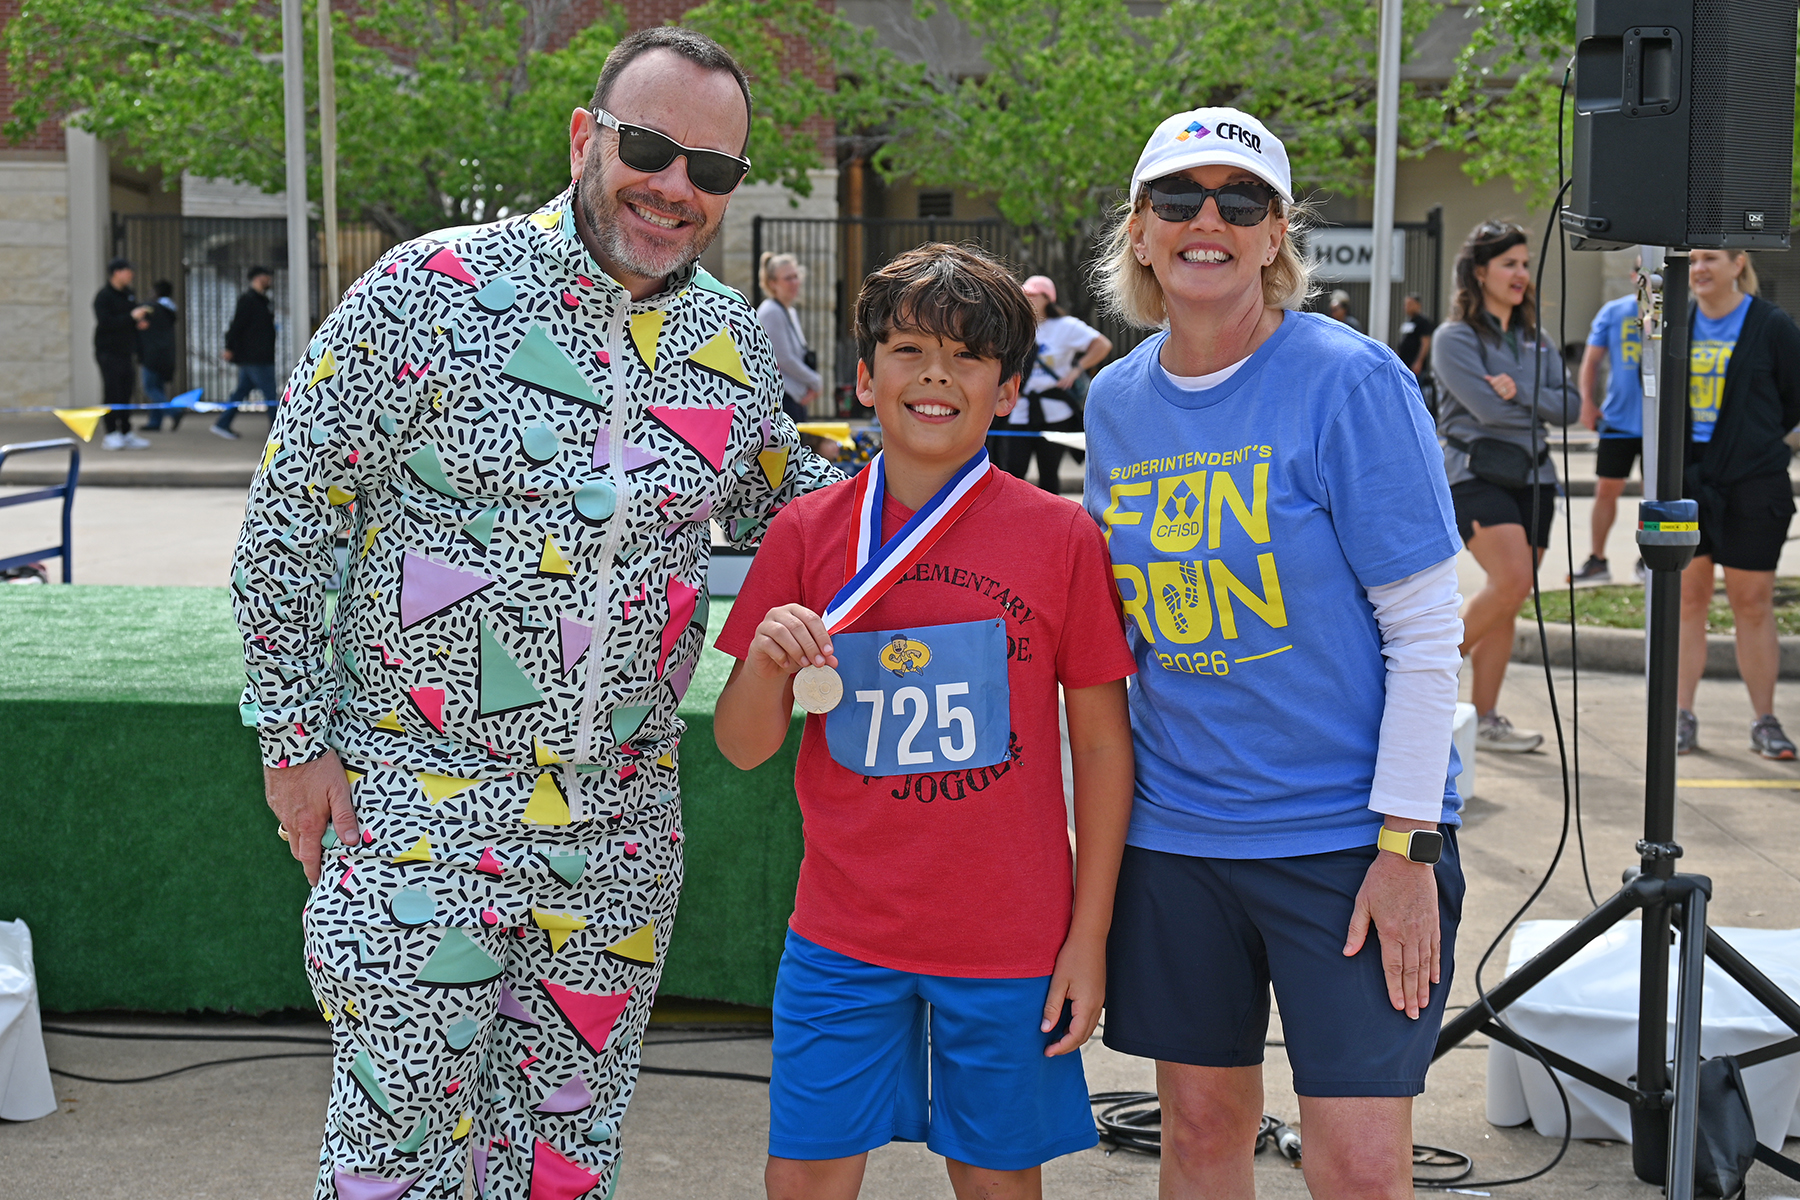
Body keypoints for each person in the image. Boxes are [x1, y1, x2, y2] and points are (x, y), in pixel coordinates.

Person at [233, 28, 837, 1199]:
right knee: (395, 1159)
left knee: (564, 1161)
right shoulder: (425, 291)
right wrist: (294, 748)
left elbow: (797, 511)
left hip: (621, 826)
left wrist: (959, 490)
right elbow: (289, 522)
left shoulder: (728, 344)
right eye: (653, 149)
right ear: (586, 137)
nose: (676, 190)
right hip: (422, 798)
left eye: (711, 171)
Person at [1085, 106, 1467, 1200]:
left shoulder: (1350, 383)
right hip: (1179, 842)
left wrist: (1405, 848)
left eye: (1238, 201)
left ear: (1273, 234)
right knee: (1201, 1136)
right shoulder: (1116, 401)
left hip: (1346, 848)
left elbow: (1426, 632)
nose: (1208, 220)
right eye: (1179, 200)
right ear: (1142, 230)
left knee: (1354, 1169)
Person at [714, 243, 1137, 1200]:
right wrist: (773, 660)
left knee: (996, 1179)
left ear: (1009, 391)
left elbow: (1103, 743)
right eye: (907, 349)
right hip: (843, 934)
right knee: (807, 1175)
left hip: (1013, 935)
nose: (936, 375)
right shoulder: (807, 535)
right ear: (865, 378)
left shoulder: (1060, 537)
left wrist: (1089, 934)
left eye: (968, 357)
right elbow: (743, 746)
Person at [1433, 220, 1578, 753]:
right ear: (1480, 272)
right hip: (1476, 474)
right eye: (1510, 264)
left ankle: (1487, 718)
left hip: (1536, 478)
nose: (1522, 274)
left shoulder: (1535, 340)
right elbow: (1488, 412)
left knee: (1509, 597)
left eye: (1525, 264)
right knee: (1512, 581)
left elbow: (1574, 408)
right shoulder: (1455, 338)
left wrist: (1522, 392)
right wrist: (1531, 401)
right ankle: (1414, 685)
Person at [1675, 249, 1800, 758]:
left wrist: (1765, 445)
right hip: (1687, 485)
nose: (1699, 268)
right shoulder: (1673, 323)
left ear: (1737, 263)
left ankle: (1764, 721)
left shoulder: (1772, 325)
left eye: (1710, 259)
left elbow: (1794, 399)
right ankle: (1680, 716)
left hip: (1753, 484)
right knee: (1687, 601)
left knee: (1751, 603)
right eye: (1694, 260)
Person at [992, 275, 1111, 496]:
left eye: (1032, 295)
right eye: (1024, 294)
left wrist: (1076, 370)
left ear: (1048, 298)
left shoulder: (1066, 326)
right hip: (1020, 410)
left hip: (1055, 413)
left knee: (1049, 474)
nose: (1026, 299)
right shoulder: (1017, 326)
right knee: (1013, 471)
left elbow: (1102, 345)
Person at [1572, 262, 1646, 584]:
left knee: (1658, 495)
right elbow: (1591, 361)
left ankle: (1651, 559)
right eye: (1642, 270)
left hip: (1665, 422)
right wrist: (1587, 402)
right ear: (1633, 275)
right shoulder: (1614, 312)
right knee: (1606, 490)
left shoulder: (1682, 311)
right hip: (1619, 419)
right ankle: (1597, 561)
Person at [212, 265, 278, 439]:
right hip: (256, 357)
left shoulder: (263, 301)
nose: (270, 280)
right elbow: (237, 325)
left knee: (241, 391)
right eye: (266, 276)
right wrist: (229, 347)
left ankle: (222, 423)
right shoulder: (248, 300)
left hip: (259, 355)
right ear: (257, 278)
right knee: (271, 394)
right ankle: (278, 432)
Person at [93, 257, 152, 450]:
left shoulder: (129, 294)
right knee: (112, 392)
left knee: (127, 392)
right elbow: (107, 323)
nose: (131, 275)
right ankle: (111, 433)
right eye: (127, 271)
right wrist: (130, 317)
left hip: (126, 351)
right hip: (108, 351)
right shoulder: (104, 297)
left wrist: (138, 323)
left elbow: (128, 321)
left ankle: (126, 432)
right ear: (116, 272)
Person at [757, 251, 822, 423]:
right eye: (788, 278)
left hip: (794, 397)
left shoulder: (788, 311)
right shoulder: (771, 311)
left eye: (795, 276)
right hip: (782, 399)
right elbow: (784, 358)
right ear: (773, 283)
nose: (794, 283)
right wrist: (814, 380)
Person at [138, 280, 180, 432]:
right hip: (166, 355)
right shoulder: (169, 310)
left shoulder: (152, 308)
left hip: (152, 354)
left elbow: (139, 319)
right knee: (158, 389)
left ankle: (173, 412)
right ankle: (154, 422)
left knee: (150, 388)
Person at [1396, 293, 1436, 410]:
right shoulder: (1407, 322)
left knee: (1417, 392)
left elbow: (1425, 343)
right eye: (1406, 304)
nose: (1407, 307)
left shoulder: (1423, 322)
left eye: (1410, 304)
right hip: (1404, 364)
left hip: (1415, 365)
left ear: (1418, 305)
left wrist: (1419, 361)